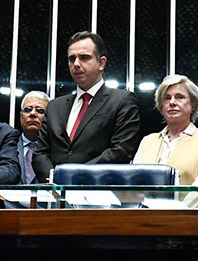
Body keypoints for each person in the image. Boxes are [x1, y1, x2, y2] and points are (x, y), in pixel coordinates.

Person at [32, 31, 141, 183]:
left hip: (99, 194)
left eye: (84, 57)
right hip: (56, 195)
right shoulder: (54, 106)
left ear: (101, 63)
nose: (76, 64)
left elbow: (121, 150)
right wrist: (54, 178)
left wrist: (77, 176)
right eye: (72, 59)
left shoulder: (122, 100)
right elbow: (40, 153)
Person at [133, 74, 198, 186]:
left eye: (180, 97)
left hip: (187, 204)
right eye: (167, 98)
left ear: (193, 104)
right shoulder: (147, 141)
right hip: (146, 204)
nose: (172, 102)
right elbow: (134, 182)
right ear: (161, 106)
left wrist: (178, 205)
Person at [17, 91, 49, 184]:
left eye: (40, 110)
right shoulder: (8, 146)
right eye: (27, 109)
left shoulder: (56, 150)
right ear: (20, 116)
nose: (33, 114)